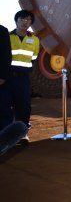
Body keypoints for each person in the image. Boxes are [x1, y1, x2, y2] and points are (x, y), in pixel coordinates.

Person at [2, 10, 40, 141]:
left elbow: (34, 58)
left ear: (31, 22)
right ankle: (5, 135)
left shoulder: (34, 40)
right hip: (7, 78)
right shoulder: (7, 36)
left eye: (28, 20)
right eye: (22, 19)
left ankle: (22, 134)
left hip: (23, 78)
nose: (25, 22)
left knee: (23, 106)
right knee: (5, 106)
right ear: (16, 20)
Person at [0, 23, 12, 130]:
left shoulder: (2, 31)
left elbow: (6, 55)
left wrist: (3, 76)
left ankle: (5, 137)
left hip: (1, 80)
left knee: (3, 109)